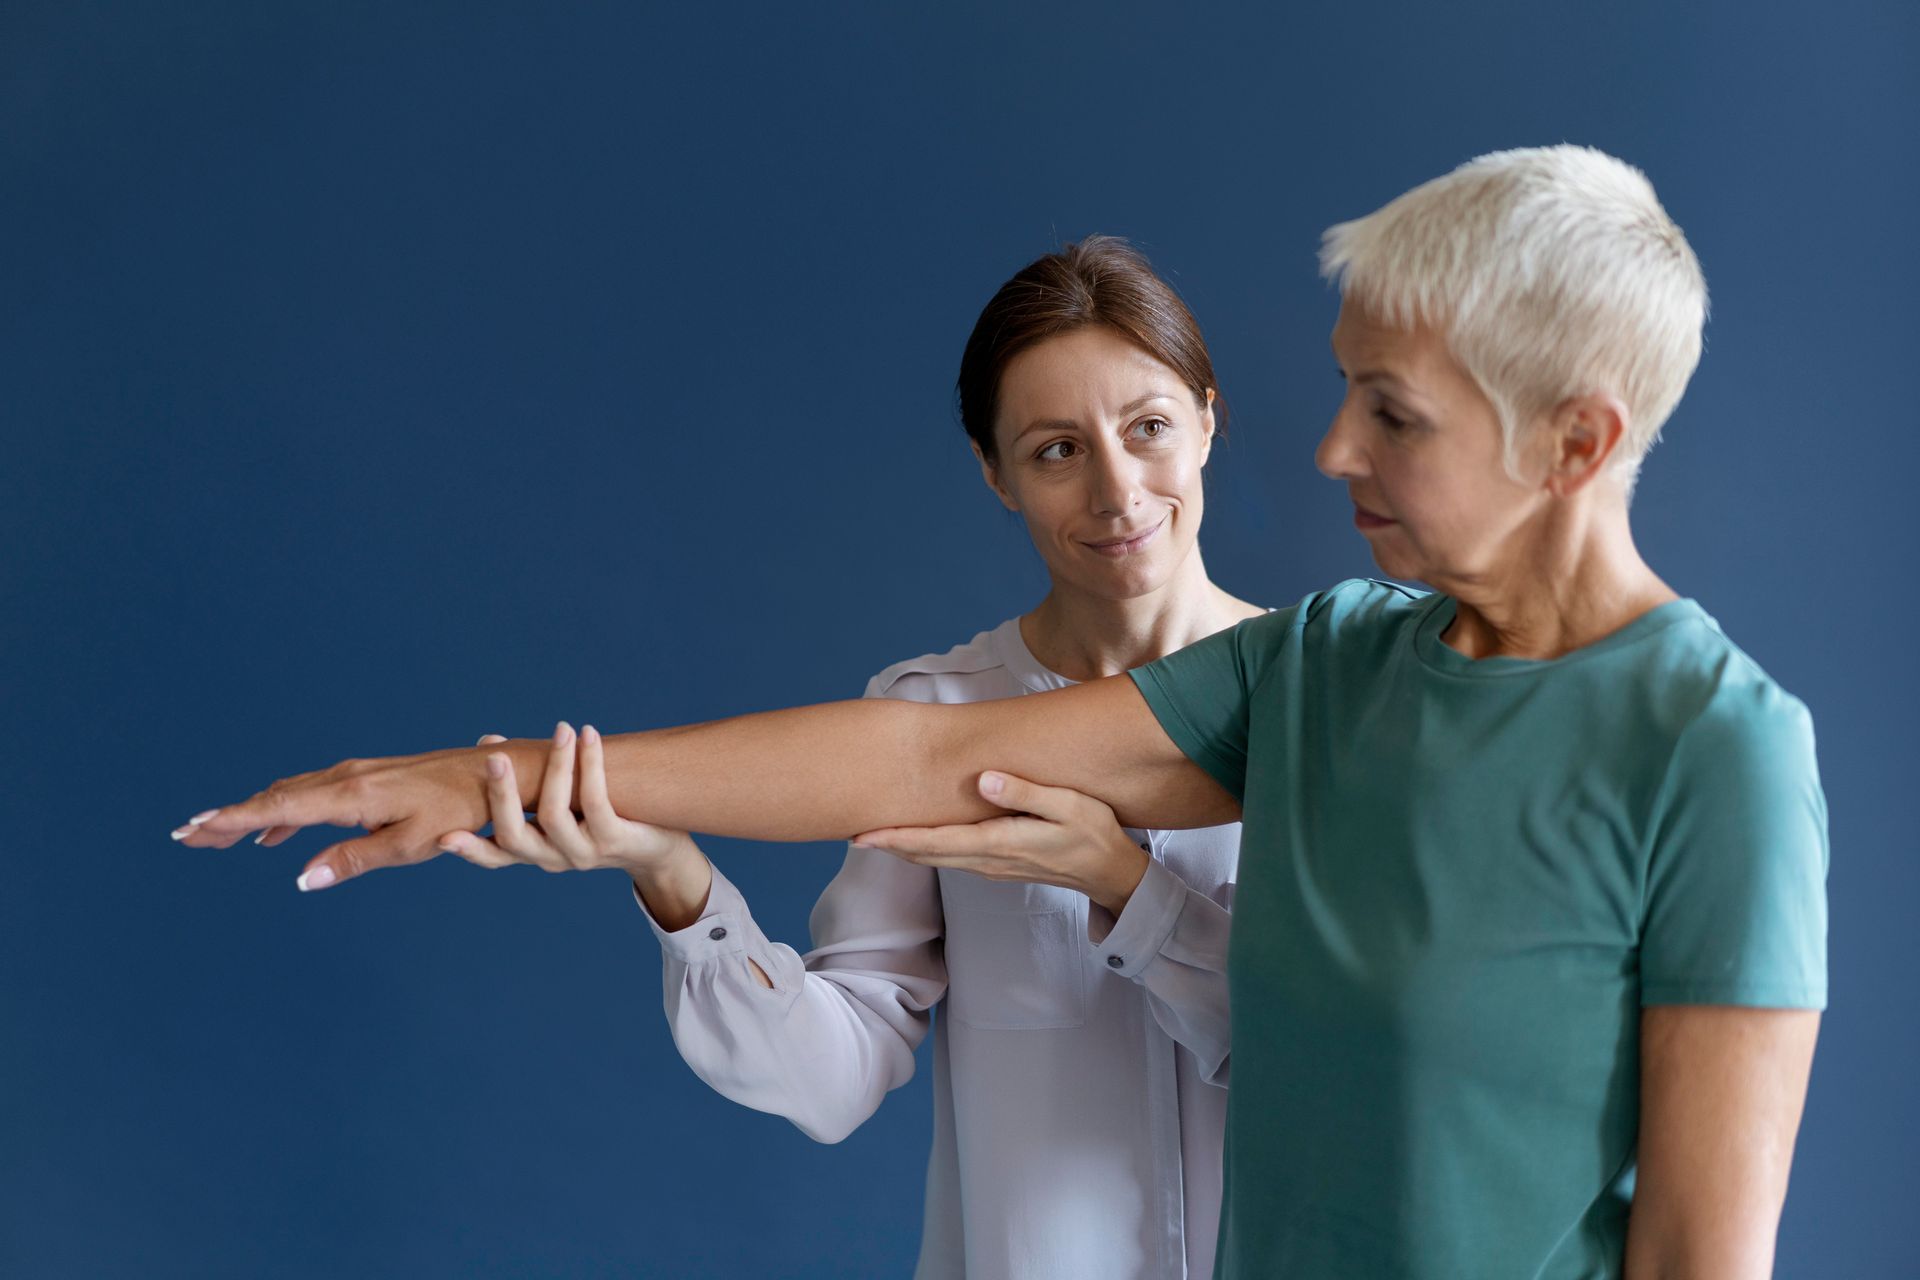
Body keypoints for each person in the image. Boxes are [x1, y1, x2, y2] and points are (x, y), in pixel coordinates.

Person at [183, 145, 1828, 1278]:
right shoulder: (1329, 663)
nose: (1332, 452)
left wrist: (1126, 893)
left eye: (1390, 413)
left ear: (1576, 445)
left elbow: (1699, 1252)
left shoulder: (1714, 750)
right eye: (1340, 391)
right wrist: (497, 780)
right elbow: (922, 754)